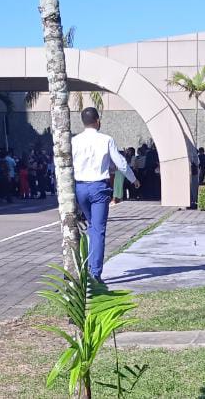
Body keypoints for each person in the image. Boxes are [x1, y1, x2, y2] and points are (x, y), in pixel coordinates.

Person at [72, 107, 139, 284]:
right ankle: (95, 272)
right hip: (99, 187)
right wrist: (133, 180)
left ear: (83, 122)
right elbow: (121, 163)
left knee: (92, 227)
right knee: (98, 230)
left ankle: (87, 266)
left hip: (80, 187)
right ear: (97, 120)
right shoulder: (106, 139)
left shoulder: (74, 141)